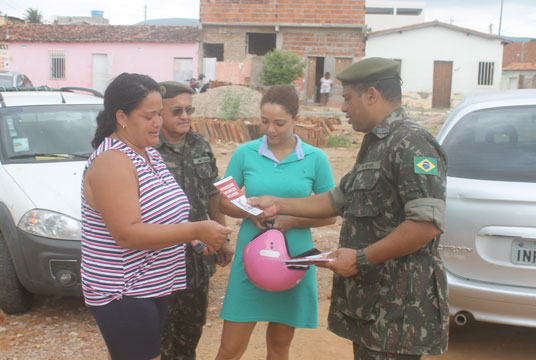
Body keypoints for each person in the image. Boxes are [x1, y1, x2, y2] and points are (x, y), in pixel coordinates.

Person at [249, 57, 449, 360]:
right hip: (373, 305)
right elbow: (337, 199)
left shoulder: (413, 144)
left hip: (399, 311)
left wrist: (361, 258)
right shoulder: (377, 143)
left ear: (371, 95)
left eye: (347, 98)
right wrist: (278, 204)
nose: (343, 107)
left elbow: (426, 223)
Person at [81, 72, 231, 360]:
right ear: (122, 116)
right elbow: (126, 233)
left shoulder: (147, 153)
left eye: (160, 114)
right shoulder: (113, 161)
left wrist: (194, 240)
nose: (158, 122)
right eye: (149, 115)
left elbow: (165, 214)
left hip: (154, 284)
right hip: (124, 289)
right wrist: (195, 231)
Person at [215, 84, 337, 360]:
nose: (270, 129)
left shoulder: (315, 159)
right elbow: (224, 201)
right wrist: (249, 212)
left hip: (293, 261)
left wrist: (292, 220)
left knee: (280, 347)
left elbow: (330, 212)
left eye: (279, 123)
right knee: (230, 348)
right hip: (250, 258)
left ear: (296, 119)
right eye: (265, 121)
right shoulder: (245, 153)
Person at [155, 81, 234, 360]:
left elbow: (213, 192)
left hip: (198, 260)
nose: (185, 116)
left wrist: (223, 239)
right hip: (160, 260)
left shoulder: (200, 143)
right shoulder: (147, 149)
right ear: (159, 112)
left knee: (189, 335)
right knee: (158, 338)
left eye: (189, 109)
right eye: (176, 111)